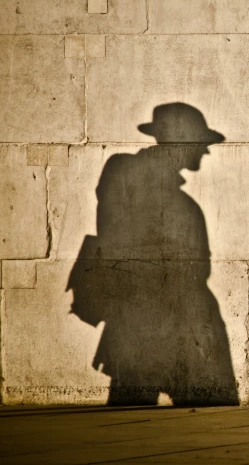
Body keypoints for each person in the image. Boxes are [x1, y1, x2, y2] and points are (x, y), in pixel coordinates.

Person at [67, 103, 238, 406]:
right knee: (141, 397)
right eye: (200, 143)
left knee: (135, 399)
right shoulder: (132, 179)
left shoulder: (147, 186)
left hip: (165, 309)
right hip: (155, 310)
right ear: (182, 141)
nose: (205, 151)